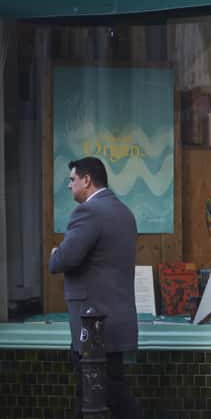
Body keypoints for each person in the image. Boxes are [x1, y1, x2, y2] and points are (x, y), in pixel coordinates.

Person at [49, 156, 142, 418]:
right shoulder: (124, 212)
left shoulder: (88, 212)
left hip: (93, 327)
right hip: (115, 322)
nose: (69, 186)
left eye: (72, 179)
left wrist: (55, 251)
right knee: (103, 392)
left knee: (103, 395)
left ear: (87, 180)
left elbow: (64, 259)